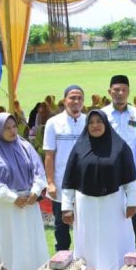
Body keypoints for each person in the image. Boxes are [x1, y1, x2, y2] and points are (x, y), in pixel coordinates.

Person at [61, 110, 136, 270]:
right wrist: (66, 207)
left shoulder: (120, 147)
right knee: (88, 241)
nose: (95, 125)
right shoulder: (79, 148)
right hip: (85, 205)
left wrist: (132, 202)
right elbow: (69, 181)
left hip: (113, 204)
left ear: (106, 123)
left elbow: (130, 178)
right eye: (91, 122)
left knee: (113, 241)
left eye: (99, 122)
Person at [0, 112, 48, 270]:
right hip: (6, 205)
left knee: (30, 238)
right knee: (10, 239)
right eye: (6, 128)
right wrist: (13, 198)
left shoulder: (25, 146)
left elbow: (38, 171)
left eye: (14, 127)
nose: (12, 131)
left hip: (29, 201)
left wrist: (35, 191)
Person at [101, 75, 136, 247]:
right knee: (109, 213)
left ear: (128, 92)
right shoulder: (102, 115)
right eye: (116, 90)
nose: (120, 93)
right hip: (107, 173)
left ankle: (133, 251)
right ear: (109, 92)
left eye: (124, 90)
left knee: (131, 213)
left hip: (132, 173)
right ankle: (110, 248)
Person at [43, 85, 87, 251]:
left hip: (85, 183)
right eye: (72, 98)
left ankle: (84, 259)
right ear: (64, 100)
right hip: (61, 181)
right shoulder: (53, 123)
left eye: (79, 98)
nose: (76, 101)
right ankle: (62, 262)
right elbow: (49, 155)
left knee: (84, 223)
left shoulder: (89, 121)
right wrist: (50, 182)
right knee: (61, 224)